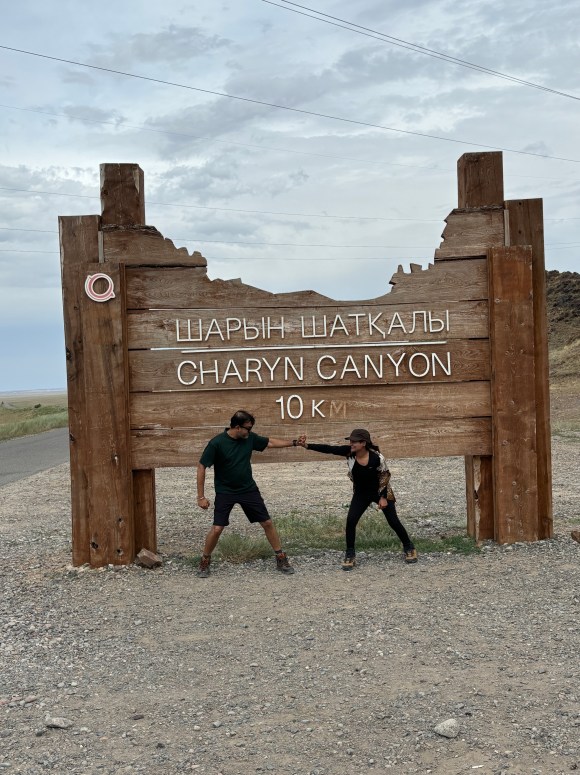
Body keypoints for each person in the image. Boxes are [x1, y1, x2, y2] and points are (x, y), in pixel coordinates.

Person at [196, 410, 305, 578]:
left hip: (248, 490)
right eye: (248, 428)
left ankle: (281, 558)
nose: (250, 431)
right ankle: (204, 561)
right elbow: (202, 466)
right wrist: (201, 497)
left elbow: (270, 442)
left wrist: (295, 443)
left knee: (267, 522)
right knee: (217, 528)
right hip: (225, 492)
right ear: (237, 427)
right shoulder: (217, 443)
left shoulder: (249, 438)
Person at [298, 428, 418, 570]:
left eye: (354, 441)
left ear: (363, 443)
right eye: (350, 441)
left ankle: (409, 547)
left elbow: (385, 476)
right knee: (351, 521)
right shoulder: (349, 452)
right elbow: (328, 449)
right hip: (361, 493)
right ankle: (350, 554)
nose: (351, 443)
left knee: (393, 521)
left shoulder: (377, 457)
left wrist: (383, 497)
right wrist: (306, 445)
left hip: (380, 491)